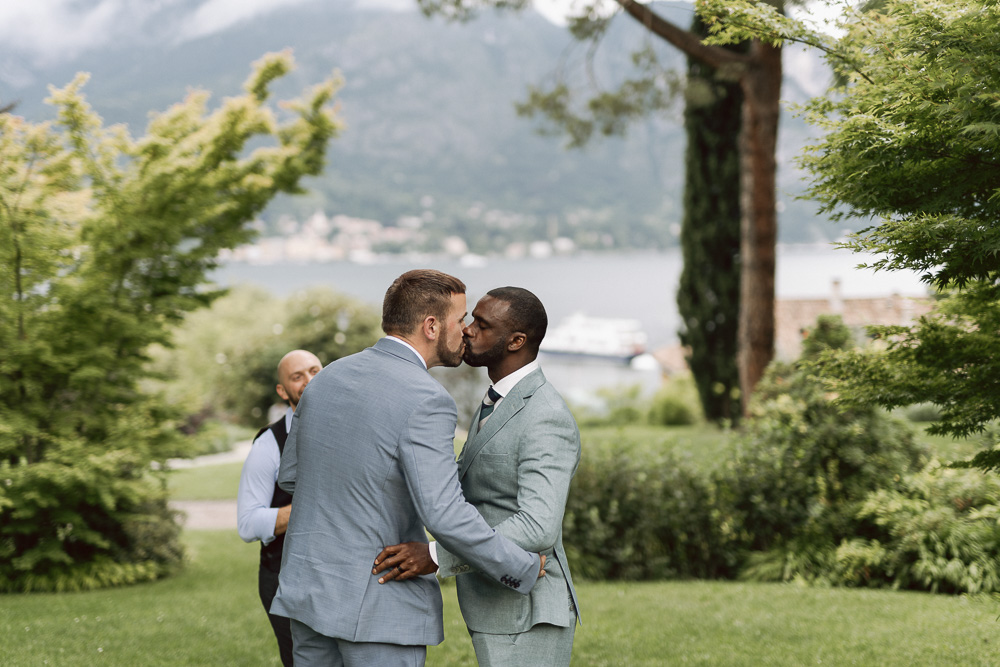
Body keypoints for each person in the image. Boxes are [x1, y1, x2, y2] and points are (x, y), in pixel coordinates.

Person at [269, 269, 545, 667]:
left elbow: (291, 476)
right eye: (460, 318)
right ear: (432, 326)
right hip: (378, 605)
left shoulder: (327, 378)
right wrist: (521, 566)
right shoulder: (427, 400)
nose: (466, 330)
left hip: (307, 595)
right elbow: (445, 514)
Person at [376, 286, 581, 666]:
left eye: (482, 325)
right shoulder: (495, 402)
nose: (467, 330)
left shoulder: (545, 416)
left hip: (528, 610)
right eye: (470, 320)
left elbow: (539, 527)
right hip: (497, 604)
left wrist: (438, 556)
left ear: (516, 341)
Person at [237, 349, 323, 667]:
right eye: (297, 377)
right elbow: (247, 523)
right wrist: (314, 506)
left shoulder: (346, 429)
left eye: (315, 371)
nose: (309, 381)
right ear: (282, 390)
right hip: (284, 577)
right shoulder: (268, 444)